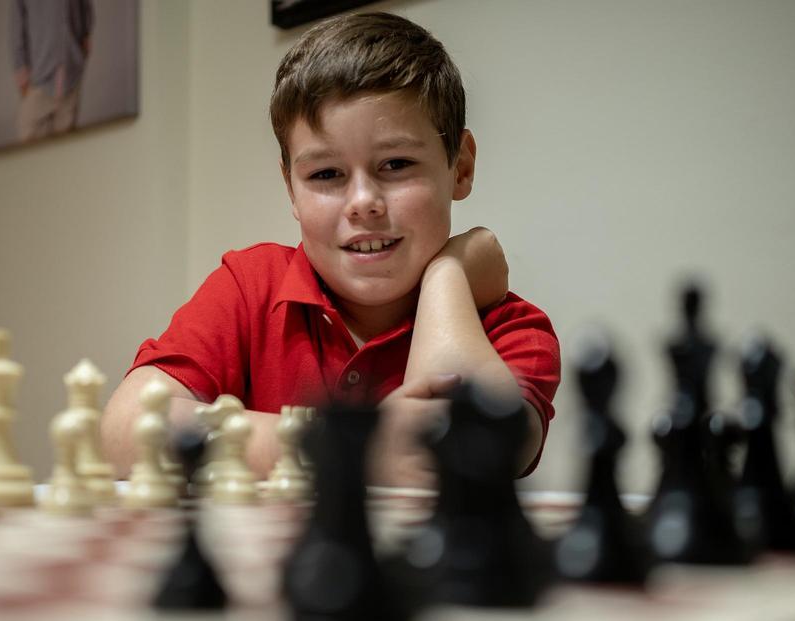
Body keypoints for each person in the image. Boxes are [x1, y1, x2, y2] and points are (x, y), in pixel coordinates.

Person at [100, 12, 560, 488]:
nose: (363, 202)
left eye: (396, 164)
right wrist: (355, 446)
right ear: (291, 188)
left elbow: (462, 455)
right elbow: (122, 431)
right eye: (325, 174)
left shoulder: (512, 329)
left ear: (460, 168)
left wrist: (447, 278)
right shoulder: (249, 287)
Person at [10, 0, 94, 143]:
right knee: (29, 154)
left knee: (66, 154)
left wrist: (82, 49)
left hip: (70, 75)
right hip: (38, 79)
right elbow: (16, 25)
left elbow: (85, 10)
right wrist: (21, 70)